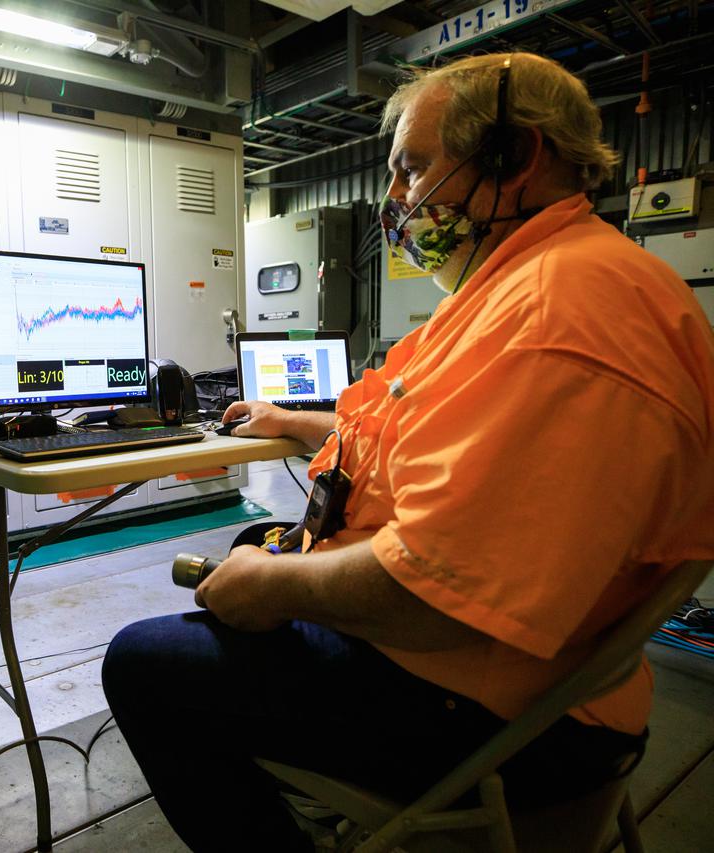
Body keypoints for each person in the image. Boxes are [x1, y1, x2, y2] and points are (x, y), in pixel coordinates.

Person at [101, 52, 714, 852]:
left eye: (412, 169)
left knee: (144, 662)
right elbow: (416, 431)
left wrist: (281, 586)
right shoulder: (527, 282)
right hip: (502, 665)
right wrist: (295, 420)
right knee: (256, 546)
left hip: (501, 711)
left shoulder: (556, 317)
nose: (395, 200)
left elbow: (430, 595)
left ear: (513, 156)